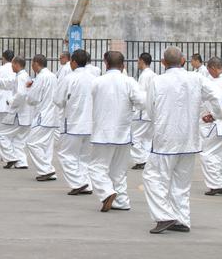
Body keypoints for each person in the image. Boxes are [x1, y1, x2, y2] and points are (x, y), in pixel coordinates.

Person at [143, 46, 222, 234]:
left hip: (166, 139)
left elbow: (150, 109)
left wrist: (159, 123)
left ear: (163, 63)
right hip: (189, 139)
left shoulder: (157, 81)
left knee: (153, 177)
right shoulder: (196, 78)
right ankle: (182, 219)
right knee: (181, 183)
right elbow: (218, 95)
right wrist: (218, 114)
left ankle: (164, 216)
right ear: (183, 61)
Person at [88, 51, 146, 212]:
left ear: (105, 63)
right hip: (123, 132)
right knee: (119, 170)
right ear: (123, 65)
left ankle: (107, 192)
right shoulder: (130, 82)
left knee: (96, 167)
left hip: (103, 132)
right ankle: (121, 201)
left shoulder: (97, 82)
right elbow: (142, 102)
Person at [54, 49, 96, 195]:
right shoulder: (94, 78)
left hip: (72, 123)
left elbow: (58, 101)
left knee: (65, 154)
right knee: (84, 157)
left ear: (74, 62)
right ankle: (86, 183)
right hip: (90, 124)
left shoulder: (69, 78)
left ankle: (78, 183)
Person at [0, 56, 33, 169]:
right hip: (25, 115)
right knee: (18, 140)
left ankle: (11, 158)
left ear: (17, 64)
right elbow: (8, 83)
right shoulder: (22, 76)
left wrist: (10, 101)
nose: (11, 67)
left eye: (12, 65)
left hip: (18, 114)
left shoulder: (21, 77)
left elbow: (21, 94)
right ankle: (21, 162)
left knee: (1, 133)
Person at [25, 54, 59, 181]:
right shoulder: (52, 76)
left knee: (32, 142)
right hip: (53, 115)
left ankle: (46, 170)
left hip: (43, 115)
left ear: (36, 63)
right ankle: (48, 169)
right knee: (46, 145)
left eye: (32, 63)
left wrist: (29, 91)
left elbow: (33, 99)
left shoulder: (41, 77)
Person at [200, 57, 222, 196]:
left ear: (212, 68)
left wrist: (213, 115)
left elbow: (217, 102)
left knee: (208, 153)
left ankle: (216, 184)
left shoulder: (217, 82)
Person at [130, 52, 157, 170]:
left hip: (142, 112)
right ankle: (146, 159)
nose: (137, 63)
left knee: (135, 137)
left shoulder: (145, 76)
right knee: (147, 138)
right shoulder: (154, 75)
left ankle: (140, 160)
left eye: (138, 61)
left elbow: (140, 95)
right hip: (151, 112)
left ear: (141, 61)